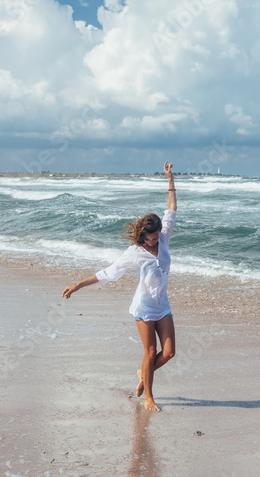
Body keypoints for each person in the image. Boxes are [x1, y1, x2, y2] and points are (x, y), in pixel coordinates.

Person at [62, 161, 177, 412]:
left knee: (168, 353)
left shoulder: (164, 239)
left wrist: (170, 179)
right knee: (150, 351)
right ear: (143, 237)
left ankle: (142, 375)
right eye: (151, 239)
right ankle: (148, 396)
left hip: (162, 305)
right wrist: (78, 285)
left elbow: (171, 210)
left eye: (157, 237)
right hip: (144, 307)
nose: (155, 242)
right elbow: (108, 273)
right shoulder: (134, 252)